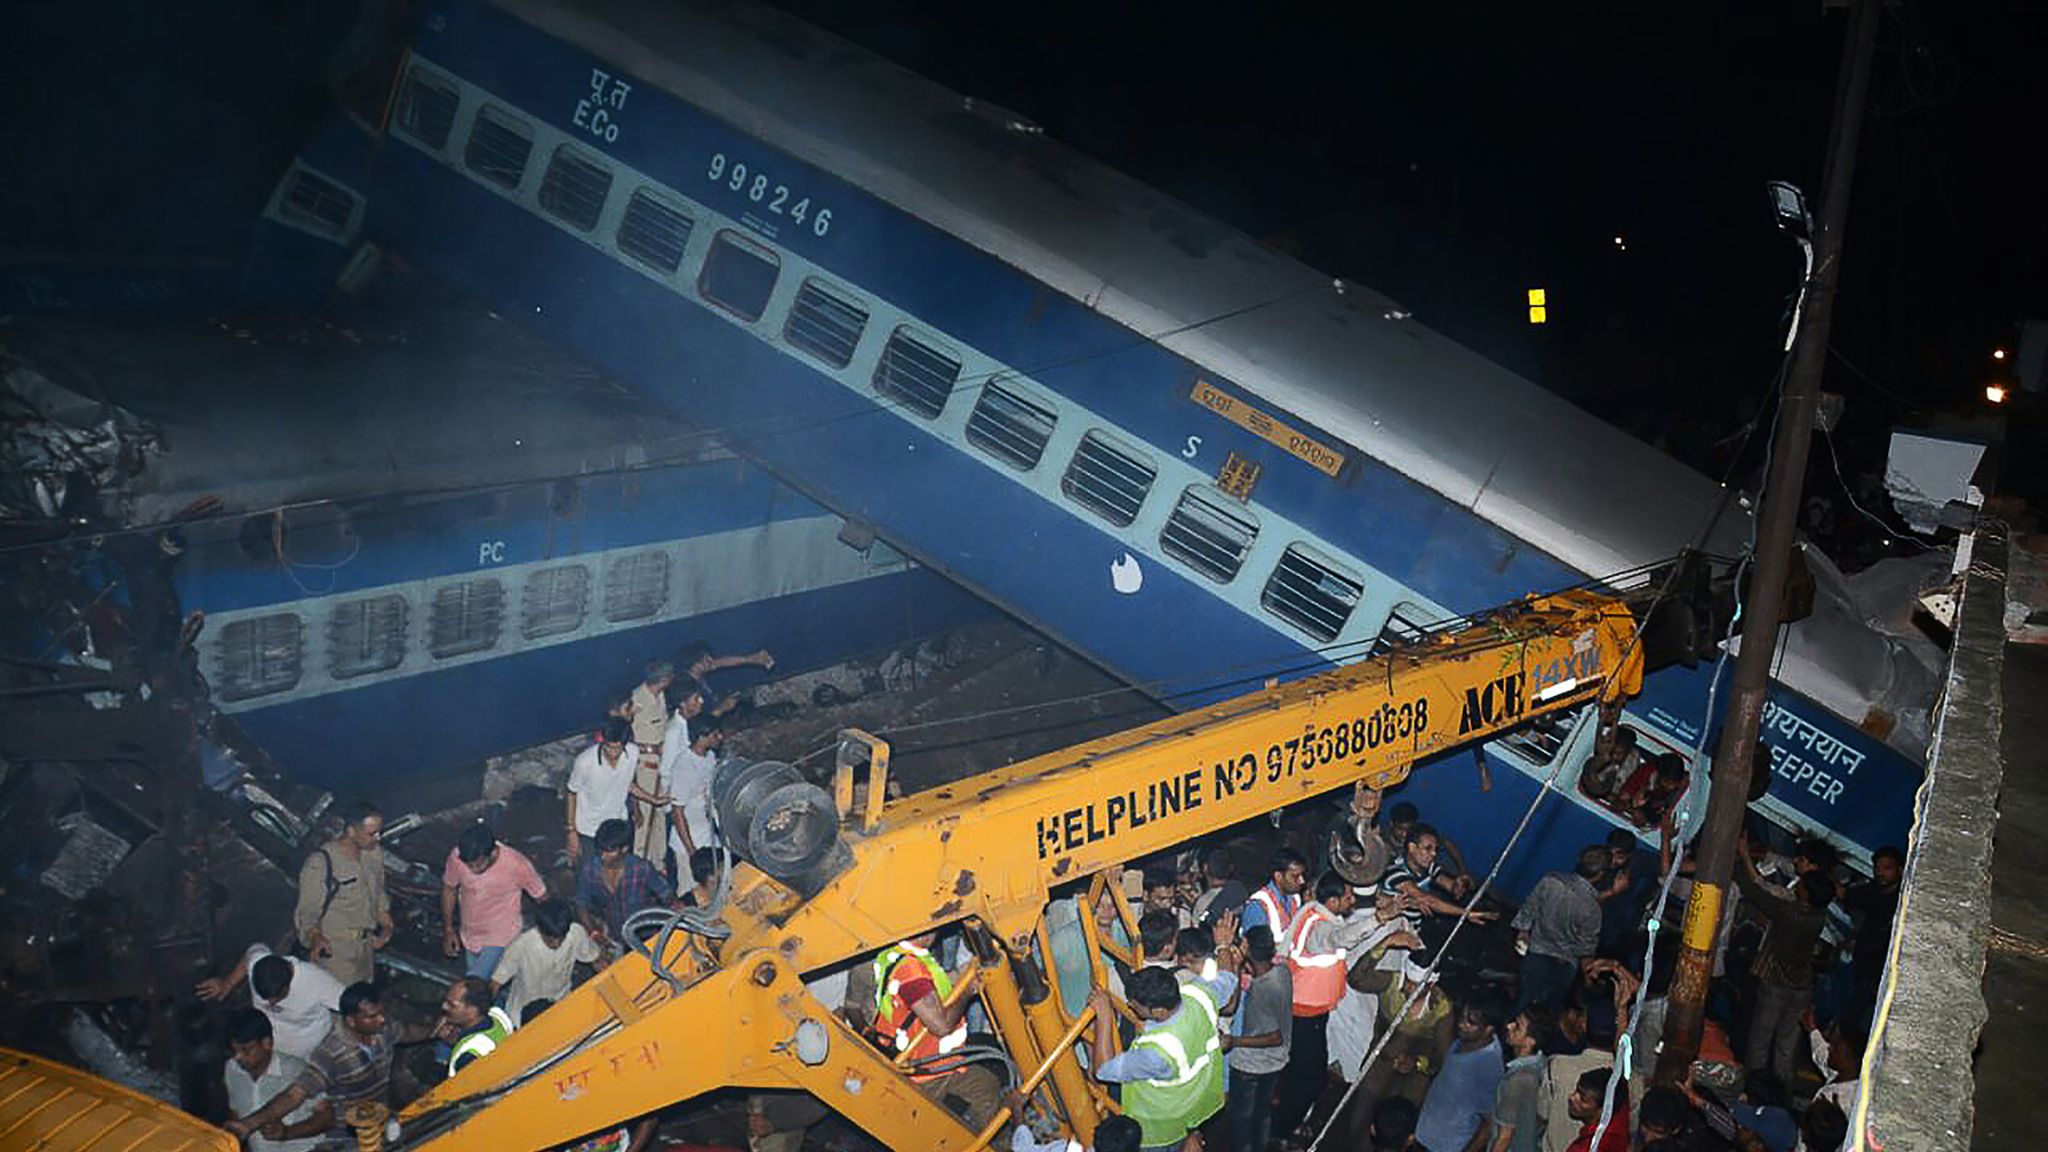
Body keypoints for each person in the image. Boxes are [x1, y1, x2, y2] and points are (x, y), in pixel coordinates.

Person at [225, 983, 435, 1139]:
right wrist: (249, 1124)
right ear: (352, 1021)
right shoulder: (330, 1054)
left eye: (382, 1013)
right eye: (372, 1016)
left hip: (379, 1119)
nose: (382, 1019)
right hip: (348, 1135)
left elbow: (408, 1032)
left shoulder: (383, 1030)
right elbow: (295, 1094)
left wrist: (438, 1030)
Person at [1088, 958, 1237, 1152]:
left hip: (1159, 1131)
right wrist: (1224, 946)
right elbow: (1229, 978)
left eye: (1136, 1005)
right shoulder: (1199, 993)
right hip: (1195, 1107)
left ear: (1159, 1011)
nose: (1130, 1007)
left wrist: (1105, 1016)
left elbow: (1103, 1070)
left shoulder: (1158, 1051)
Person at [871, 930, 1003, 1130]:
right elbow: (941, 1025)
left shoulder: (896, 955)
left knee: (986, 1087)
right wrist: (968, 990)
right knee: (935, 1130)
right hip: (925, 1072)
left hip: (936, 1061)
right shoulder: (910, 971)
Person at [1274, 871, 1368, 1142]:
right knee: (1313, 1078)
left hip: (1308, 1009)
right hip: (1305, 1013)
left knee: (1298, 1069)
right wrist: (1378, 919)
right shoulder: (1323, 929)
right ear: (1334, 900)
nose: (1353, 901)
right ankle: (1282, 1129)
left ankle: (1284, 1111)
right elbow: (1341, 939)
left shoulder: (1312, 912)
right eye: (1348, 896)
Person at [1733, 836, 1831, 1083]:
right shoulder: (1818, 916)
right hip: (1802, 985)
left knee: (1760, 1040)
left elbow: (1756, 890)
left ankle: (1754, 1088)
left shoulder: (1789, 911)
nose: (1798, 887)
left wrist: (1743, 857)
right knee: (1786, 1046)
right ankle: (1781, 1092)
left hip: (1776, 981)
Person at [293, 801, 393, 986]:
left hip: (365, 947)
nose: (377, 838)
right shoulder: (321, 863)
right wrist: (314, 936)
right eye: (372, 833)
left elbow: (378, 893)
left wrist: (386, 927)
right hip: (336, 949)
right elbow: (308, 911)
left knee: (362, 1000)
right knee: (340, 1001)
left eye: (380, 832)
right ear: (351, 831)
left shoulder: (373, 854)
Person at [195, 943, 344, 1060]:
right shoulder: (257, 962)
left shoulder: (317, 982)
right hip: (267, 1046)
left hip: (306, 1053)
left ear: (289, 983)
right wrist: (227, 984)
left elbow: (353, 1003)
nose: (271, 1004)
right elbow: (250, 954)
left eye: (277, 998)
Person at [441, 822, 547, 979]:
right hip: (470, 935)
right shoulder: (457, 857)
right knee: (489, 988)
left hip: (501, 937)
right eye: (468, 865)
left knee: (474, 983)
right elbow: (449, 889)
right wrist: (448, 929)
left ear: (491, 853)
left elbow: (542, 897)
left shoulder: (517, 864)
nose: (472, 869)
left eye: (477, 864)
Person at [1512, 846, 1608, 1011]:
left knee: (1521, 1003)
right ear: (1600, 875)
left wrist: (1522, 933)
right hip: (1563, 966)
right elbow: (1585, 950)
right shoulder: (1593, 909)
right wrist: (1589, 979)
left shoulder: (1551, 880)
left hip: (1536, 952)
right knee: (1544, 1014)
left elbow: (1529, 909)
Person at [1223, 925, 1291, 1152]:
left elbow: (1274, 1037)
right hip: (1275, 1064)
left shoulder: (1263, 990)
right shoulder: (1282, 972)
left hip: (1251, 1067)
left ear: (1247, 949)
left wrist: (1234, 1041)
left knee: (1241, 1120)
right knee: (1262, 1115)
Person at [1416, 988, 1507, 1152]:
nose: (1461, 1024)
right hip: (1425, 1137)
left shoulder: (1487, 1067)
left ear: (1488, 1029)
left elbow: (1488, 1123)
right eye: (1462, 1017)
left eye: (1470, 1022)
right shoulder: (1463, 1042)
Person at [224, 1009, 326, 1152]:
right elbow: (235, 1112)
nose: (238, 1057)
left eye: (246, 1050)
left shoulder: (295, 1069)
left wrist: (287, 1132)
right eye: (234, 1051)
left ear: (267, 1043)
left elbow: (327, 1117)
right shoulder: (232, 1069)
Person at [491, 899, 602, 1024]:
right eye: (550, 939)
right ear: (539, 930)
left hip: (560, 1004)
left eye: (561, 938)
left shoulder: (576, 933)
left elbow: (595, 959)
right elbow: (496, 982)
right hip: (524, 1015)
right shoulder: (520, 946)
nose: (557, 944)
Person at [577, 818, 674, 954]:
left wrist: (676, 908)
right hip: (614, 937)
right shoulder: (590, 870)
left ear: (624, 849)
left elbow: (666, 894)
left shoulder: (641, 868)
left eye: (609, 852)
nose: (603, 857)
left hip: (645, 936)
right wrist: (592, 931)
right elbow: (582, 903)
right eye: (601, 851)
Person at [1381, 825, 1497, 935]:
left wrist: (1460, 884)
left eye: (1435, 849)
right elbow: (1427, 900)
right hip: (1388, 928)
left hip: (1410, 927)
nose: (1433, 854)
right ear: (1412, 847)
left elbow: (1452, 888)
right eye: (1428, 848)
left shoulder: (1429, 867)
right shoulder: (1395, 872)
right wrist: (1466, 913)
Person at [1840, 845, 1902, 1024]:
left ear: (1899, 869)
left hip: (1883, 972)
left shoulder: (1902, 900)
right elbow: (1848, 895)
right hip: (1863, 966)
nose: (1880, 873)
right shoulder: (1873, 890)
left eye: (1887, 868)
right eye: (1877, 868)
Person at [567, 718, 640, 867]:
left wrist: (644, 803)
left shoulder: (633, 753)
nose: (612, 753)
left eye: (617, 749)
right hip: (589, 829)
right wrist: (571, 830)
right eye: (608, 747)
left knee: (621, 872)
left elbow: (629, 783)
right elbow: (571, 793)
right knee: (590, 874)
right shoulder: (584, 762)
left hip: (617, 824)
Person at [1489, 1004, 1555, 1152]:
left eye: (1518, 1026)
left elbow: (1504, 1137)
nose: (1509, 1026)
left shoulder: (1517, 1080)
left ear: (1530, 1041)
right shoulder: (1543, 1064)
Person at [661, 716, 725, 867]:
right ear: (701, 738)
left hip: (708, 838)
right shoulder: (684, 767)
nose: (720, 737)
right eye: (715, 734)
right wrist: (692, 852)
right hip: (689, 845)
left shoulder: (710, 757)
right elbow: (677, 813)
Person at [1594, 830, 1655, 956]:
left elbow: (1667, 869)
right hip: (1593, 931)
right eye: (1611, 855)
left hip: (1620, 933)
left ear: (1630, 855)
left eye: (1620, 857)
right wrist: (1612, 892)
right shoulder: (1595, 862)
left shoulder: (1639, 860)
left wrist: (1665, 838)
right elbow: (1584, 900)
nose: (1613, 860)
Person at [440, 976, 517, 1076]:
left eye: (452, 1005)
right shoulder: (498, 1016)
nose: (444, 1006)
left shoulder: (468, 1055)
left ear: (472, 1011)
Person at [679, 641, 775, 718]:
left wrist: (751, 659)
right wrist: (722, 708)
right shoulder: (687, 687)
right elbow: (698, 721)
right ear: (696, 665)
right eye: (706, 659)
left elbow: (721, 662)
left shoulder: (697, 674)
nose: (711, 661)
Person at [1329, 783, 1397, 890]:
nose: (1370, 802)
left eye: (1374, 798)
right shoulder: (1339, 821)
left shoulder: (1363, 829)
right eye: (1368, 798)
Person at [1243, 847, 1309, 938]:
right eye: (1295, 876)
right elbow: (1257, 948)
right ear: (1278, 876)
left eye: (1302, 875)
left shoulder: (1295, 899)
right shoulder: (1258, 906)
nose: (1302, 881)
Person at [1560, 1069, 1629, 1152]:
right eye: (1576, 1091)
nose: (1571, 1098)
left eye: (1583, 1099)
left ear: (1603, 1110)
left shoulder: (1587, 1148)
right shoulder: (1619, 1131)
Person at [1192, 847, 1249, 930]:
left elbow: (1197, 931)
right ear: (1231, 868)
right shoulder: (1241, 891)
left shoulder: (1203, 903)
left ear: (1205, 868)